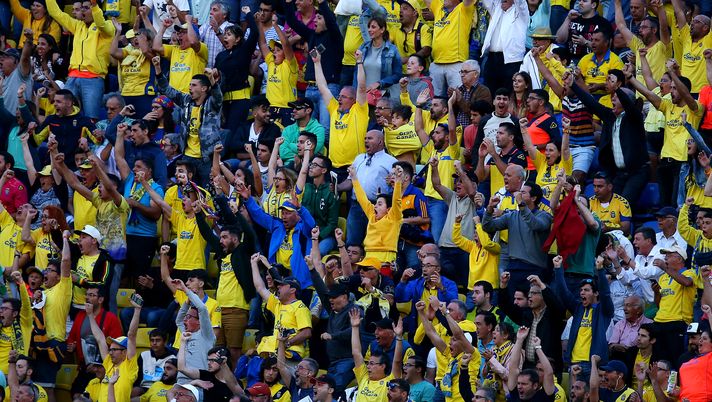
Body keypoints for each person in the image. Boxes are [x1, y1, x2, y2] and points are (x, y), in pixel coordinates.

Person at [628, 60, 703, 207]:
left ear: (683, 90)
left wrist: (673, 74)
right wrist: (630, 78)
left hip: (682, 165)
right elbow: (648, 94)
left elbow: (687, 96)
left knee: (677, 204)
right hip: (665, 163)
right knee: (663, 205)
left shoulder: (695, 108)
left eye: (675, 89)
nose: (671, 91)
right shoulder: (668, 106)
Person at [195, 191, 256, 364]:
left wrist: (236, 213)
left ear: (235, 239)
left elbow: (250, 234)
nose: (220, 240)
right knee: (218, 350)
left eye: (224, 237)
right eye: (220, 237)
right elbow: (207, 235)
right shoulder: (223, 254)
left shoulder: (243, 252)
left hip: (236, 310)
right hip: (219, 310)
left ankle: (235, 382)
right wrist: (199, 214)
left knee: (234, 350)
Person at [153, 57, 222, 186]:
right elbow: (166, 89)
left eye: (194, 85)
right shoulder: (186, 100)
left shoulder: (212, 104)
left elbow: (218, 96)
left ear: (204, 89)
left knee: (207, 192)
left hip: (206, 158)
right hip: (187, 156)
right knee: (186, 191)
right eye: (190, 84)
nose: (190, 87)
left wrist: (212, 79)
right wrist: (157, 68)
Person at [45, 0, 115, 120]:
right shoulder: (78, 25)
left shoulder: (108, 25)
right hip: (72, 77)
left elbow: (101, 24)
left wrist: (94, 5)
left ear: (95, 9)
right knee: (61, 113)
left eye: (86, 8)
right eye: (82, 8)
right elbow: (56, 13)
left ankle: (88, 139)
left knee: (90, 118)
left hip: (93, 78)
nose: (82, 11)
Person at [284, 0, 342, 137]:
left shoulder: (335, 37)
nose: (315, 20)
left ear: (327, 21)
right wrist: (288, 3)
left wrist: (322, 3)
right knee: (309, 130)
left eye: (319, 18)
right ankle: (310, 157)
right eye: (315, 17)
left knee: (325, 129)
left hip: (328, 88)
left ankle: (324, 158)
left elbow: (332, 22)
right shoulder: (311, 35)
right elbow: (292, 22)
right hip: (309, 89)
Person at [482, 182, 552, 291]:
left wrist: (521, 204)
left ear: (533, 198)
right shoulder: (512, 216)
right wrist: (490, 208)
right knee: (512, 303)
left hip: (534, 269)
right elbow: (487, 226)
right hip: (513, 267)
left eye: (523, 192)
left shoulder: (544, 216)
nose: (519, 194)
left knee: (531, 304)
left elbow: (534, 225)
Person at [312, 48, 368, 180]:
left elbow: (361, 87)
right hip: (334, 167)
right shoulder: (334, 108)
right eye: (339, 96)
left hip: (354, 166)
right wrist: (317, 63)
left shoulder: (359, 110)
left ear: (353, 100)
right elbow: (322, 87)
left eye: (344, 96)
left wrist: (359, 63)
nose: (339, 98)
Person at [250, 253, 313, 360]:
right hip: (278, 351)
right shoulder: (278, 304)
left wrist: (286, 344)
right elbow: (260, 287)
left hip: (293, 354)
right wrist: (253, 264)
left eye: (282, 285)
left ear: (292, 290)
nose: (278, 287)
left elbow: (306, 333)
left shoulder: (300, 307)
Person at [84, 291, 141, 401]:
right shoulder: (109, 363)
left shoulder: (129, 367)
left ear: (124, 352)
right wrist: (90, 315)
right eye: (110, 349)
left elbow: (131, 335)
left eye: (114, 350)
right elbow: (100, 338)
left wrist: (137, 310)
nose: (110, 352)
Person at [652, 244, 697, 366]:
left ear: (680, 259)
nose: (665, 258)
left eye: (669, 255)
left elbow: (687, 282)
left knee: (675, 361)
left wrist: (665, 268)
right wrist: (656, 293)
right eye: (665, 255)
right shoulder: (663, 278)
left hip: (677, 322)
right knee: (658, 361)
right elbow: (659, 305)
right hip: (659, 322)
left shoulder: (690, 273)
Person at [425, 0, 475, 96]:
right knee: (434, 100)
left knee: (458, 98)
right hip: (436, 63)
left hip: (456, 63)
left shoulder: (463, 9)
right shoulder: (439, 7)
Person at [173, 278, 217, 384]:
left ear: (199, 322)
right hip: (180, 381)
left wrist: (185, 290)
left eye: (188, 317)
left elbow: (202, 308)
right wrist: (187, 302)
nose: (184, 320)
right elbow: (178, 320)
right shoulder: (186, 334)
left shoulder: (206, 335)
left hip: (199, 380)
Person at [480, 0, 528, 93]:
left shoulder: (521, 11)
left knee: (508, 94)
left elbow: (520, 2)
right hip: (492, 59)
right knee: (490, 92)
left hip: (512, 61)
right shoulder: (496, 9)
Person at [302, 156, 339, 255]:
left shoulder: (330, 192)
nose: (311, 167)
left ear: (324, 170)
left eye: (315, 165)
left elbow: (332, 223)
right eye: (311, 164)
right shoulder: (306, 188)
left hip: (325, 236)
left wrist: (319, 236)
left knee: (315, 254)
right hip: (306, 233)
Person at [178, 344, 243, 400]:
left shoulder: (235, 383)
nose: (209, 363)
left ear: (224, 361)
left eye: (213, 360)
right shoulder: (206, 375)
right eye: (208, 360)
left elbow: (241, 397)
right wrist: (195, 382)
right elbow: (182, 368)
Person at [0, 271, 32, 376]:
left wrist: (21, 283)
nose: (1, 311)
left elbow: (26, 307)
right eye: (0, 308)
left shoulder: (23, 326)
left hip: (14, 376)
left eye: (4, 309)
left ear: (14, 313)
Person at [279, 98, 326, 164]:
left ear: (308, 111)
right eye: (293, 108)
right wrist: (300, 156)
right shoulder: (287, 130)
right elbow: (283, 153)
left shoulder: (318, 129)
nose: (294, 110)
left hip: (310, 166)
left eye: (298, 108)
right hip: (289, 167)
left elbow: (312, 152)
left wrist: (291, 145)